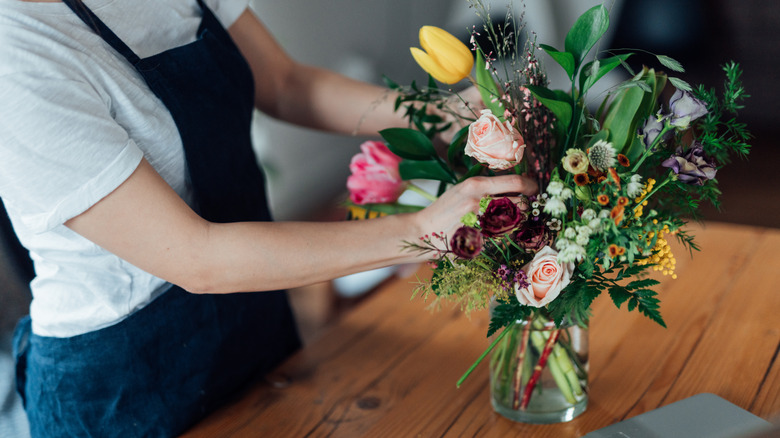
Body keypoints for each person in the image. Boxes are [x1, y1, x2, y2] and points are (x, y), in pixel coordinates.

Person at [0, 0, 537, 436]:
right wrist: (419, 232)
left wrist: (442, 115)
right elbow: (195, 258)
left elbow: (285, 84)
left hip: (250, 313)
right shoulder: (16, 52)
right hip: (126, 382)